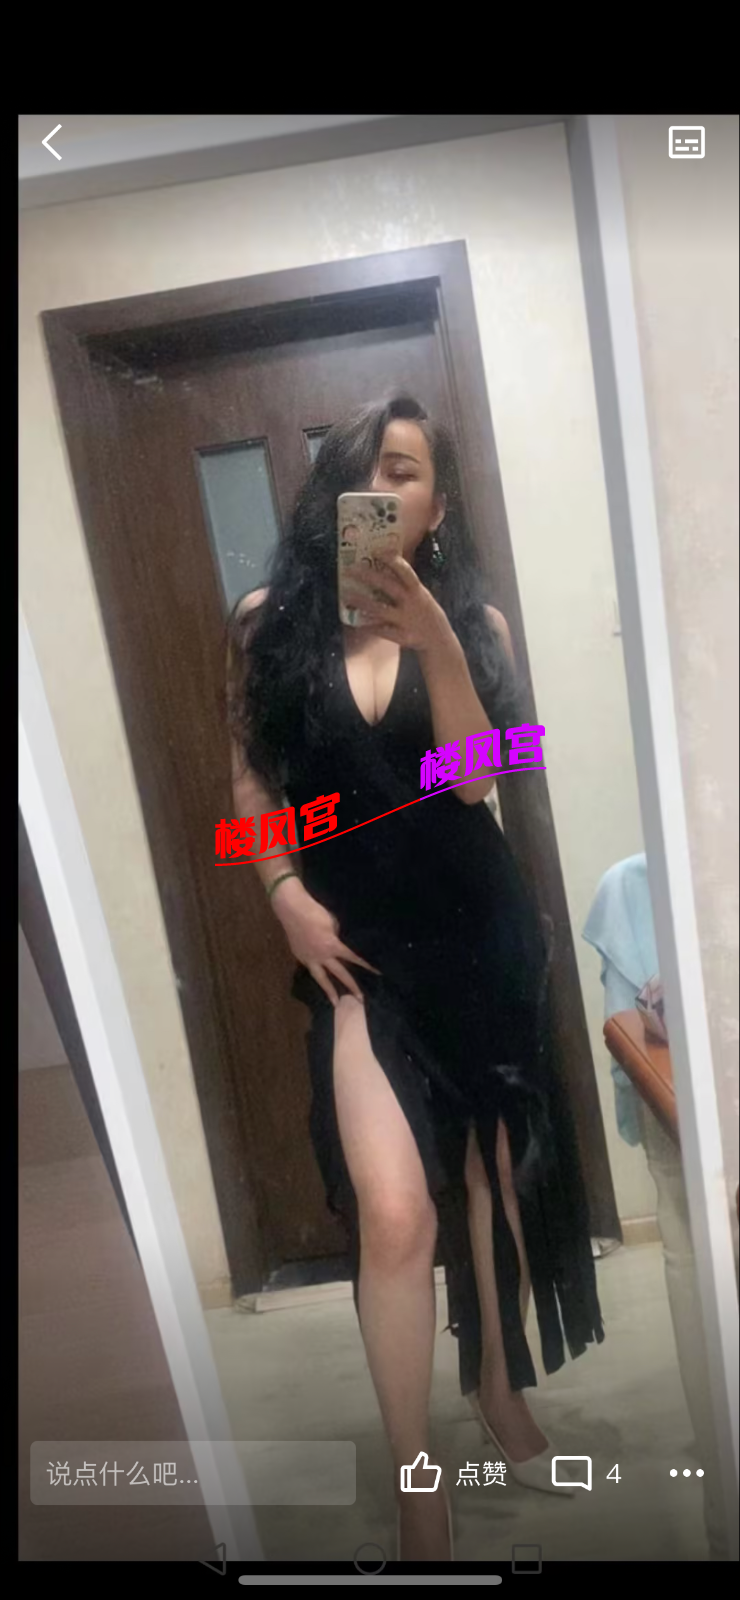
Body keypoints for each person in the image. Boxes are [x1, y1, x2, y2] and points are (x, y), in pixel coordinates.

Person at [227, 395, 604, 1561]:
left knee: (492, 1184)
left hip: (478, 936)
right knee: (393, 1212)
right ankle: (416, 1476)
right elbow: (251, 786)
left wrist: (435, 635)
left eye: (405, 471)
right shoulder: (264, 622)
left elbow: (478, 780)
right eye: (362, 468)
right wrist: (281, 891)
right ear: (332, 495)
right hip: (359, 960)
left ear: (437, 506)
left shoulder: (473, 622)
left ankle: (495, 1387)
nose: (382, 488)